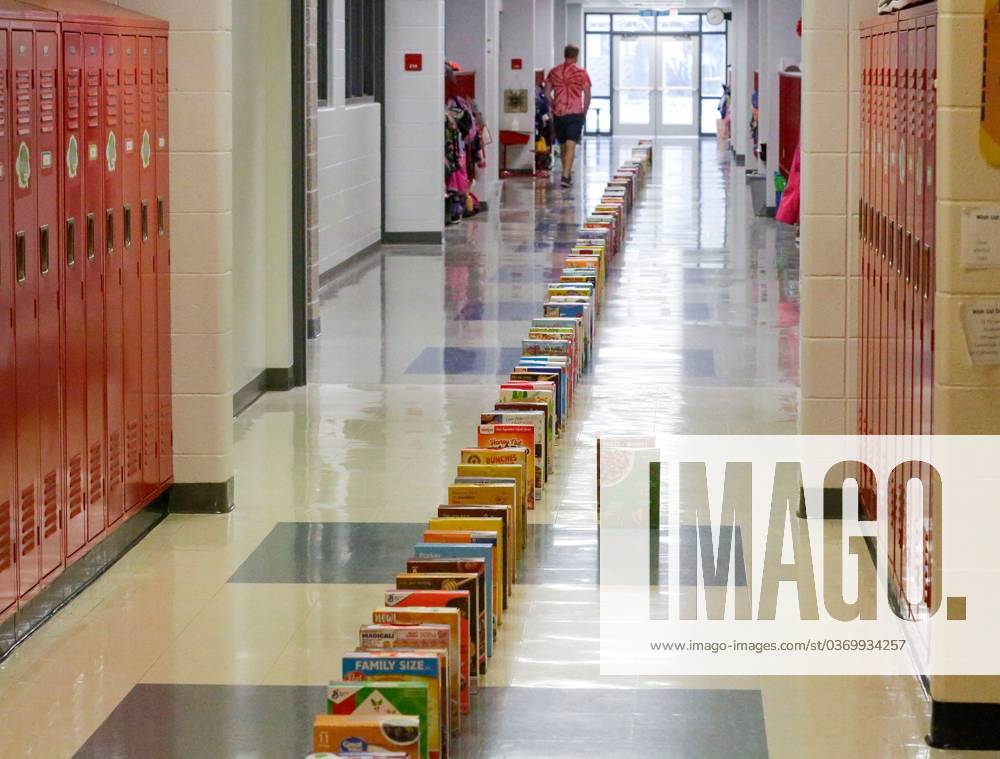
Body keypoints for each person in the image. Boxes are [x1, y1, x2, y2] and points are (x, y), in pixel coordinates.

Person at [546, 44, 591, 188]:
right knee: (570, 146)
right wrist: (584, 110)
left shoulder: (553, 72)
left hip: (559, 113)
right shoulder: (581, 73)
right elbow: (588, 94)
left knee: (563, 145)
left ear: (564, 55)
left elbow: (547, 93)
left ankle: (566, 175)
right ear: (576, 56)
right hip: (575, 113)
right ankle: (566, 176)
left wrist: (554, 104)